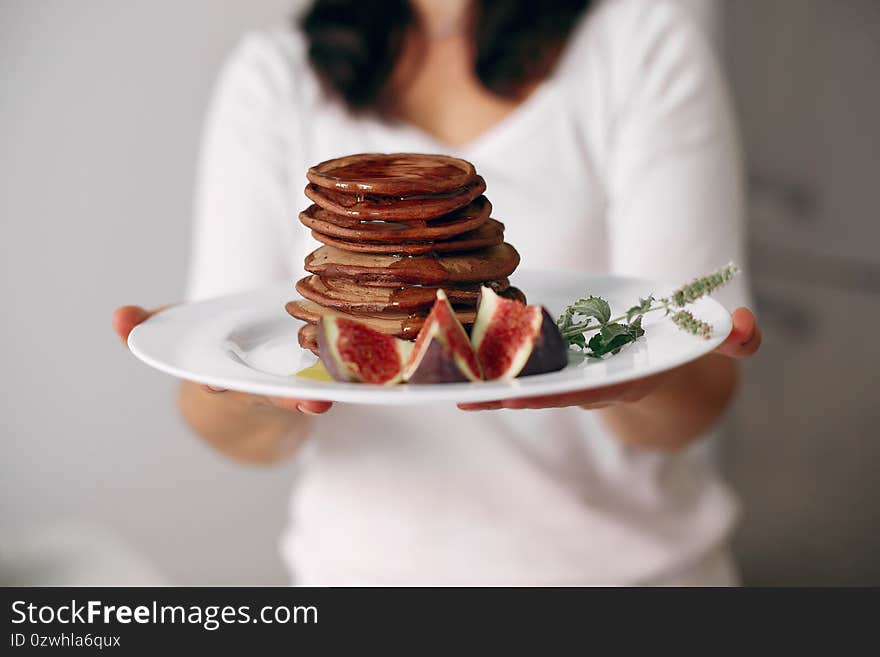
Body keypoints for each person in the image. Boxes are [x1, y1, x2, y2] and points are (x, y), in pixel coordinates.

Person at [112, 0, 762, 585]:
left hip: (628, 579)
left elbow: (698, 395)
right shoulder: (276, 75)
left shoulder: (640, 45)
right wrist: (246, 385)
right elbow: (223, 424)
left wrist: (631, 376)